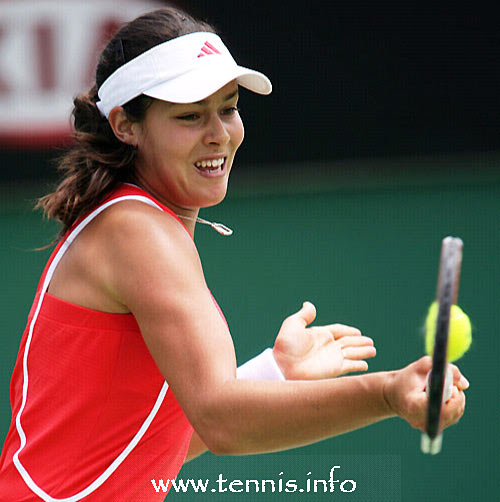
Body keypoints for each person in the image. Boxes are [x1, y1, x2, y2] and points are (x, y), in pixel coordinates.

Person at [0, 5, 468, 501]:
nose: (219, 134)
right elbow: (223, 422)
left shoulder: (132, 222)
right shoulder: (136, 230)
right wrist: (388, 392)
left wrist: (274, 373)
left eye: (227, 107)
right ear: (125, 125)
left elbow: (152, 444)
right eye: (189, 115)